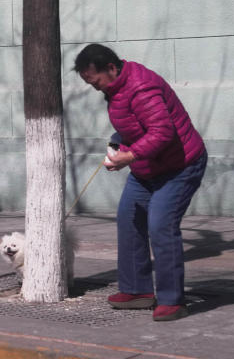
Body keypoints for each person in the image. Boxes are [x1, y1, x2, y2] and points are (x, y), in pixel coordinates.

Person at [74, 44, 207, 322]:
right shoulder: (115, 88)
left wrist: (130, 155)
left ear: (111, 68)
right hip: (147, 168)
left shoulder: (141, 86)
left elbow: (162, 131)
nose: (94, 87)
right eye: (88, 82)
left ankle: (172, 300)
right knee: (129, 217)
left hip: (180, 165)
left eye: (95, 80)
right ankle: (137, 291)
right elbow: (135, 125)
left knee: (160, 224)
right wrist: (118, 143)